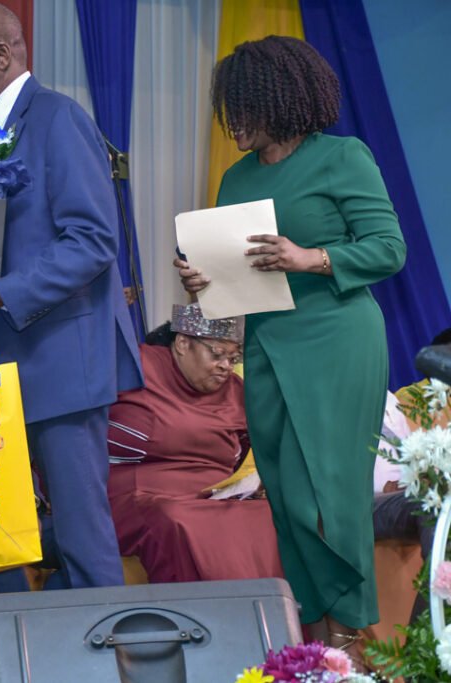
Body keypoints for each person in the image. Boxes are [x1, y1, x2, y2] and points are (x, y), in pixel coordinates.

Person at [175, 36, 406, 652]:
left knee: (333, 496)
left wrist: (309, 257)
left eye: (243, 107)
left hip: (337, 339)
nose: (234, 123)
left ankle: (351, 645)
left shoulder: (342, 157)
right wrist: (203, 280)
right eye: (228, 109)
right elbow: (235, 282)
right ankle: (323, 643)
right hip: (269, 346)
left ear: (279, 100)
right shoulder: (235, 177)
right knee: (289, 498)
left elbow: (388, 248)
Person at [0, 0, 142, 590]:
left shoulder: (56, 118)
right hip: (4, 363)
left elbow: (93, 241)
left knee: (80, 537)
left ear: (1, 54)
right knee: (4, 530)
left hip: (61, 360)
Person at [107, 304, 283, 583]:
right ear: (183, 343)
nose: (226, 366)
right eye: (217, 354)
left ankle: (267, 621)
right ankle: (209, 620)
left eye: (233, 357)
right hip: (140, 494)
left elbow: (260, 450)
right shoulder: (135, 367)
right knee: (178, 519)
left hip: (215, 495)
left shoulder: (236, 390)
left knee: (269, 517)